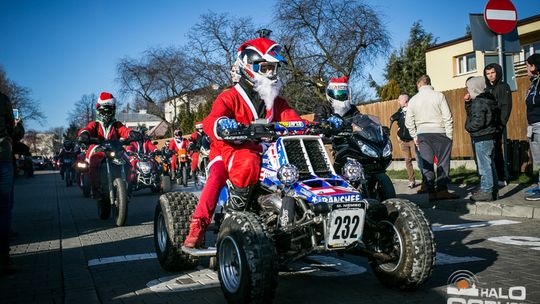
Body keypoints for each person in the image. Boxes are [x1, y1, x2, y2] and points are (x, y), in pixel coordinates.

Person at [184, 37, 303, 248]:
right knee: (221, 173)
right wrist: (222, 125)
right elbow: (213, 120)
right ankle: (200, 226)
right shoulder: (228, 97)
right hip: (227, 150)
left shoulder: (276, 101)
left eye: (274, 68)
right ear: (249, 67)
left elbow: (295, 120)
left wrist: (313, 128)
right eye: (266, 68)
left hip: (266, 152)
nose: (272, 74)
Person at [405, 75, 459, 201]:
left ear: (419, 85)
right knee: (443, 162)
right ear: (429, 83)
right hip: (440, 133)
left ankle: (430, 191)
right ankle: (441, 190)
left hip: (422, 134)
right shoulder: (439, 96)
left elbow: (409, 122)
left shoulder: (413, 99)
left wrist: (414, 136)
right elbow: (447, 117)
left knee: (427, 163)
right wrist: (449, 136)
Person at [77, 92, 138, 200]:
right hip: (99, 150)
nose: (105, 114)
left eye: (108, 111)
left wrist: (132, 133)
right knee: (94, 162)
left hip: (115, 149)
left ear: (113, 110)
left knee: (127, 162)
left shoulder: (116, 124)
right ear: (98, 111)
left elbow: (124, 130)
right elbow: (87, 129)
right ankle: (96, 190)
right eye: (102, 111)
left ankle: (128, 187)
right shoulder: (95, 124)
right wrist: (84, 134)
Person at [464, 76, 500, 202]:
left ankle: (486, 190)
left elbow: (477, 121)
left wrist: (467, 127)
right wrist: (468, 103)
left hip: (482, 137)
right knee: (490, 164)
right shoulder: (488, 99)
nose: (467, 91)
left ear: (474, 88)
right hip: (490, 135)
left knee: (484, 165)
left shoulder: (478, 102)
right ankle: (493, 189)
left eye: (468, 88)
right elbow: (474, 114)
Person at [1, 92, 24, 275]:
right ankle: (3, 259)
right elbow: (13, 131)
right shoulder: (2, 100)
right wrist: (18, 126)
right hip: (2, 157)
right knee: (2, 208)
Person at [484, 63, 512, 185]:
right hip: (487, 125)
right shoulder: (487, 89)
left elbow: (506, 106)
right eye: (488, 73)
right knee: (490, 152)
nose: (490, 76)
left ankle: (502, 177)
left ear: (498, 73)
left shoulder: (503, 86)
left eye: (492, 73)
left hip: (497, 124)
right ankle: (494, 177)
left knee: (497, 151)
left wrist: (501, 123)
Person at [390, 94, 420, 189]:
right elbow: (392, 119)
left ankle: (427, 181)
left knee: (420, 160)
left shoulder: (413, 110)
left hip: (413, 140)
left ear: (406, 101)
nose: (398, 101)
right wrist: (398, 135)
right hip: (403, 141)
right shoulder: (400, 112)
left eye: (399, 100)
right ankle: (411, 181)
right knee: (408, 160)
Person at [524, 54, 540, 201]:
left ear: (535, 67)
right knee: (538, 159)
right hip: (533, 125)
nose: (526, 68)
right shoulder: (533, 83)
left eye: (528, 65)